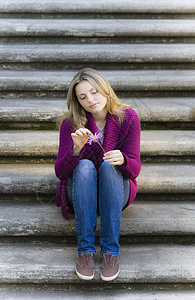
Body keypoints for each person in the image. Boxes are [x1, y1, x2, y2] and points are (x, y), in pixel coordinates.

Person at [55, 68, 141, 281]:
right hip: (81, 194)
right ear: (77, 101)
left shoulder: (128, 118)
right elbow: (61, 172)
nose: (90, 100)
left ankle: (110, 252)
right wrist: (75, 150)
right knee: (84, 166)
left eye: (94, 92)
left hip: (115, 192)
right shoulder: (71, 124)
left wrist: (123, 160)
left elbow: (134, 169)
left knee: (108, 167)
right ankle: (85, 252)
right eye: (82, 97)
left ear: (105, 89)